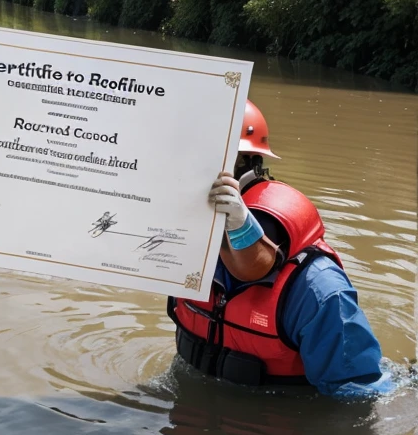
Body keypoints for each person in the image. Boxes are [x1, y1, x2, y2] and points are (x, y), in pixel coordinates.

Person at [167, 100, 393, 398]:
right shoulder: (180, 248)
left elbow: (359, 398)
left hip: (278, 428)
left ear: (248, 164)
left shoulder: (317, 289)